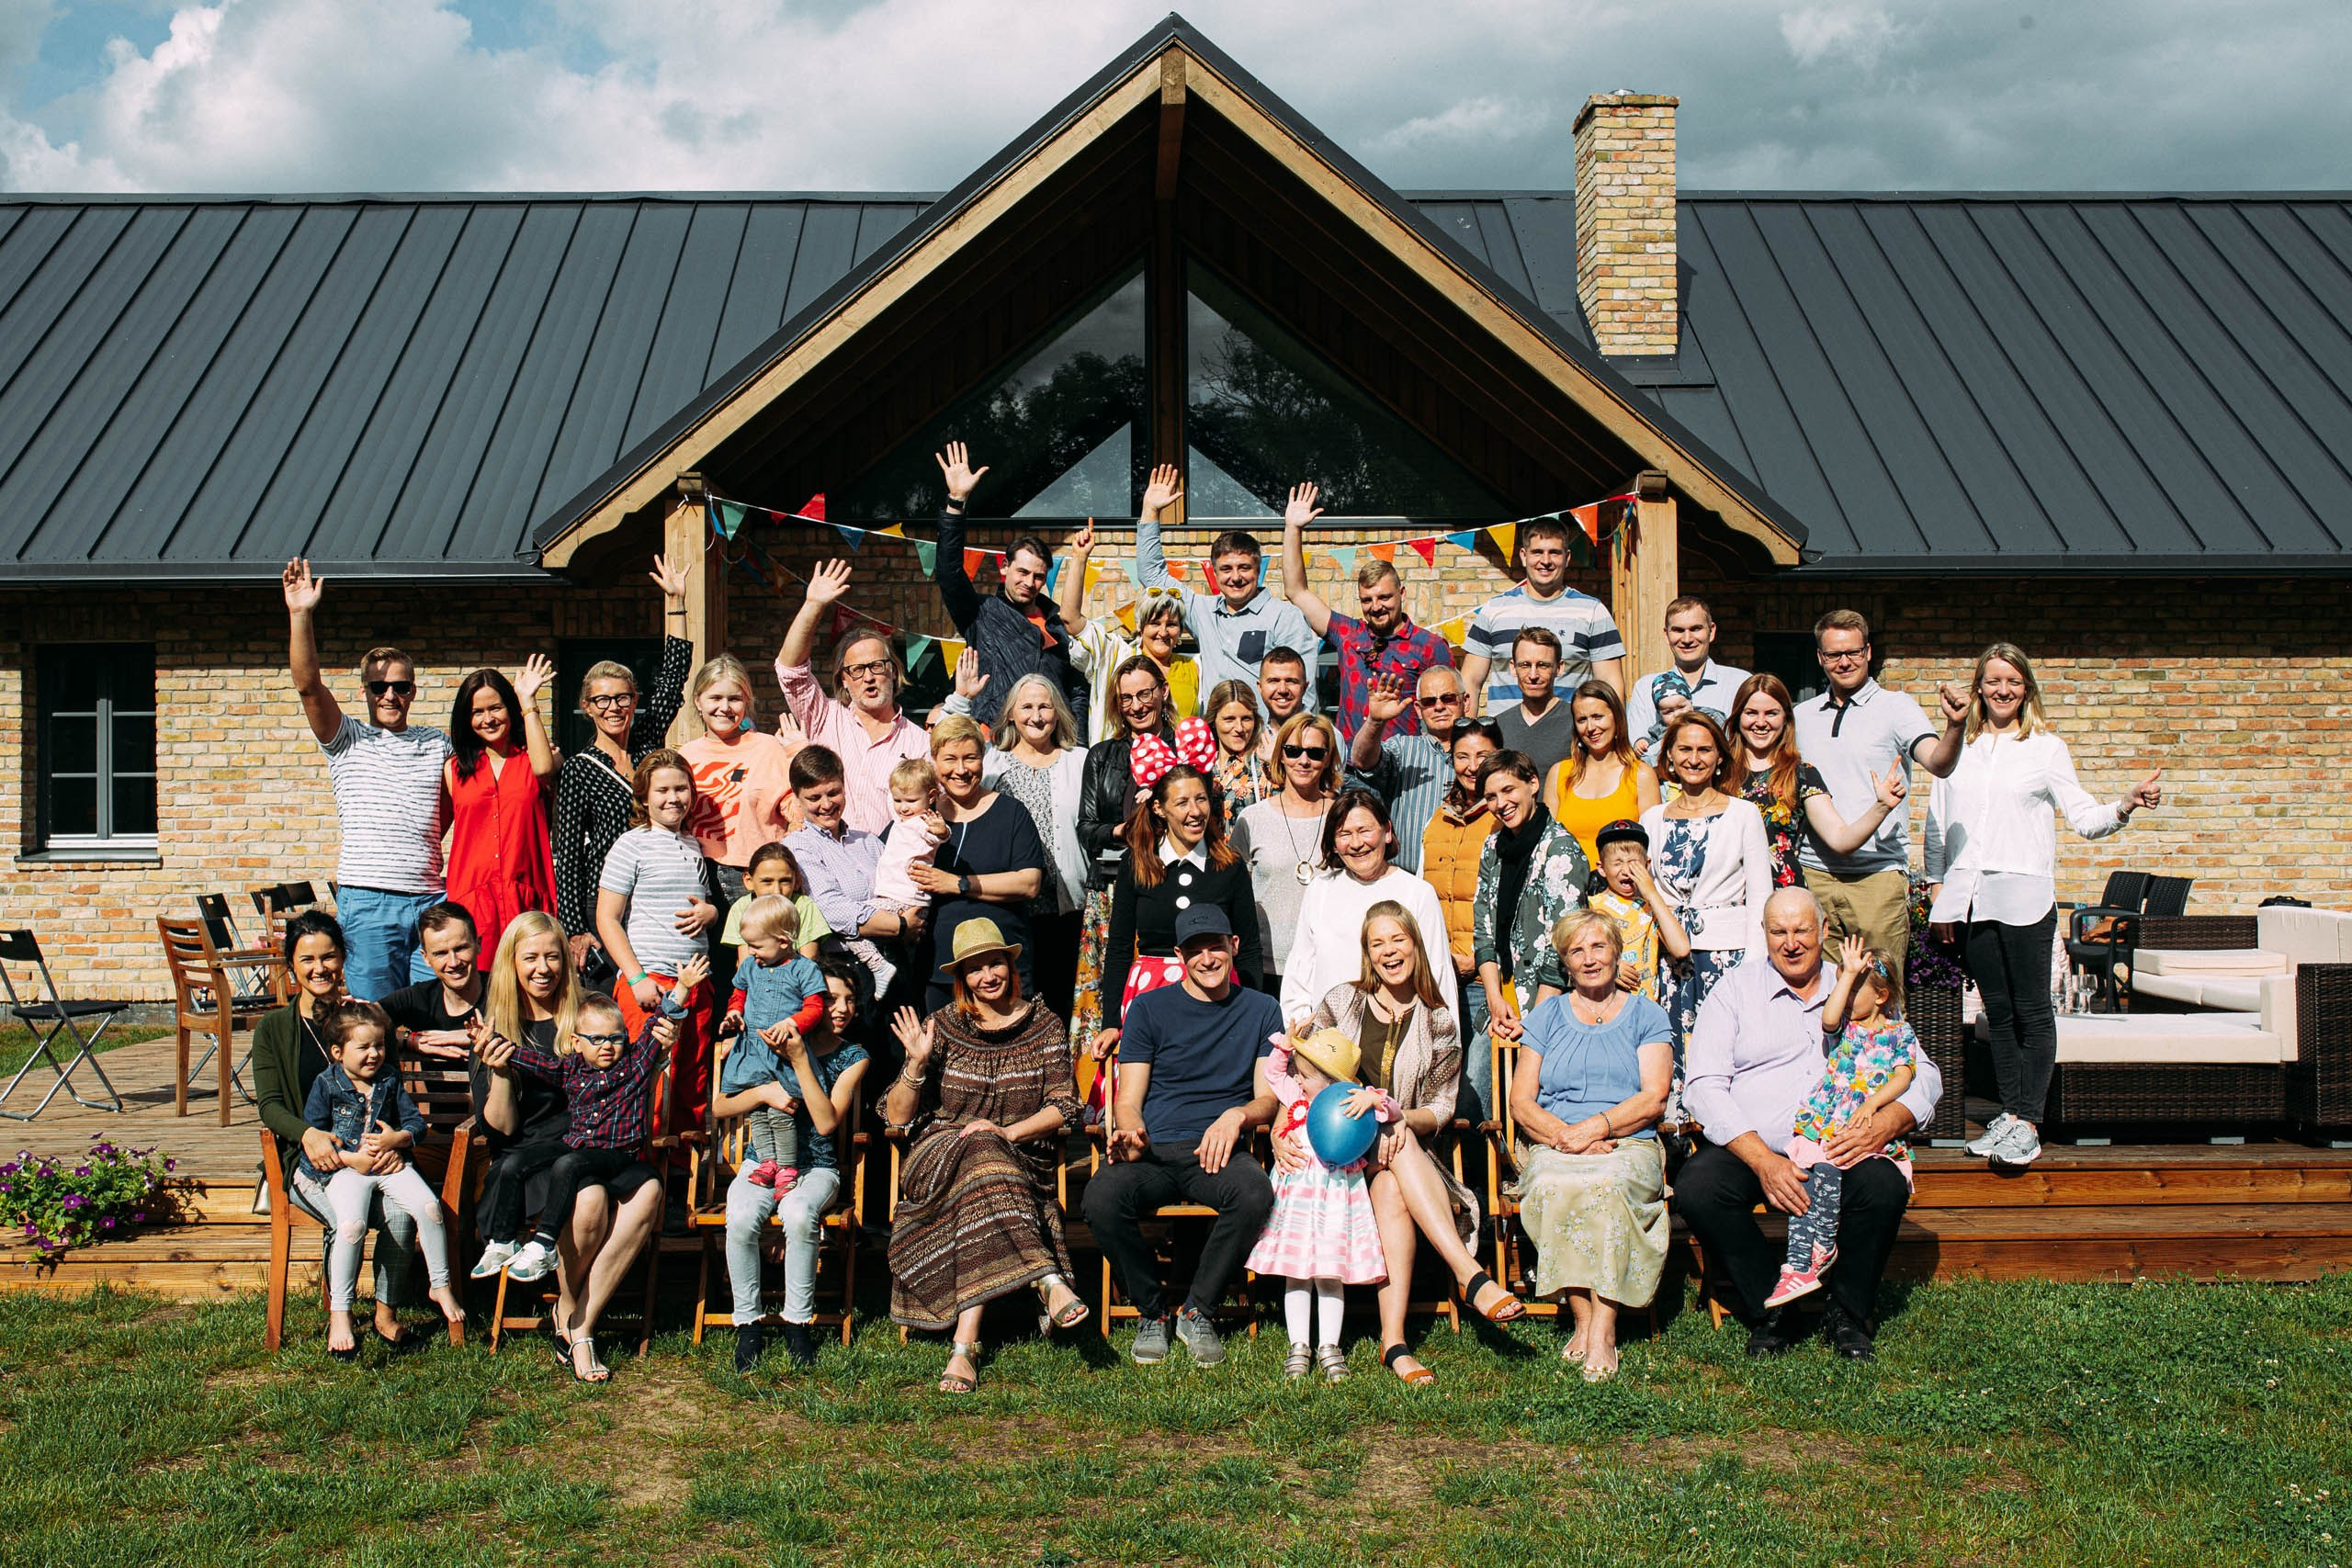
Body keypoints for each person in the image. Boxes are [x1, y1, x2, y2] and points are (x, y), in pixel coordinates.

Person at [1681, 887, 1945, 1360]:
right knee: (1699, 1186)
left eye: (1802, 929)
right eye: (1778, 931)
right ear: (1763, 935)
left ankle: (1846, 1311)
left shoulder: (1860, 985)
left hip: (1845, 1146)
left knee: (1883, 1186)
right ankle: (1773, 1306)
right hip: (1757, 1145)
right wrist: (1762, 1159)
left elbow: (1921, 1072)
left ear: (1824, 931)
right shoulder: (1735, 990)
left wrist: (1887, 1124)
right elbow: (1702, 1085)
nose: (1791, 942)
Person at [1925, 643, 2161, 1169]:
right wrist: (1938, 891)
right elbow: (1936, 825)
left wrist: (2124, 805)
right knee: (1998, 1012)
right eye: (1992, 681)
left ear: (2025, 688)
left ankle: (2028, 1121)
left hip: (2025, 896)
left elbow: (2083, 818)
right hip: (1970, 899)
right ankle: (2009, 1114)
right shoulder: (1958, 747)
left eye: (2012, 681)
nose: (2002, 690)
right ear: (1979, 687)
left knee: (2033, 1011)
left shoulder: (2046, 748)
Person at [1290, 904, 1526, 1383]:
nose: (1389, 951)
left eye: (1397, 940)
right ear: (1367, 954)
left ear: (1416, 945)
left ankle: (1393, 1342)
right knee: (1394, 1151)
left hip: (1405, 1155)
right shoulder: (1341, 1001)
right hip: (1338, 1155)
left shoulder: (1438, 1019)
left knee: (1396, 1167)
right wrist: (1285, 1124)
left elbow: (1440, 1108)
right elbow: (1305, 1071)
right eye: (1378, 943)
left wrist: (1394, 1116)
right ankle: (1469, 1274)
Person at [886, 919, 1086, 1393]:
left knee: (984, 1153)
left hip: (1016, 1161)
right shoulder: (944, 1027)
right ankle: (1046, 1277)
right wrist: (915, 1065)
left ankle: (965, 1346)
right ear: (962, 979)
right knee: (976, 1145)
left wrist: (1005, 1131)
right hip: (937, 1159)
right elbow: (896, 1117)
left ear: (1011, 964)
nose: (987, 976)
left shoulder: (1045, 1024)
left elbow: (1065, 1105)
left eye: (994, 962)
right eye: (974, 969)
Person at [1081, 905, 1281, 1369]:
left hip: (1217, 1151)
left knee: (1254, 1193)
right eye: (1194, 950)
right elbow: (1129, 1098)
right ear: (1178, 956)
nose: (1207, 958)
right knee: (1101, 1199)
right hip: (1153, 1150)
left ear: (1234, 946)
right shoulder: (1149, 1009)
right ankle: (1153, 1312)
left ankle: (1198, 1309)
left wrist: (1237, 1116)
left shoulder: (1261, 1009)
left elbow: (1267, 1099)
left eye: (1215, 946)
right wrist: (1130, 1131)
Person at [490, 972, 690, 1382]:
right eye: (596, 1039)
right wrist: (492, 1045)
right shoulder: (570, 1071)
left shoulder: (634, 1063)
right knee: (586, 1193)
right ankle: (571, 1311)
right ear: (577, 1042)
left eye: (616, 1038)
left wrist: (683, 986)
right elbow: (530, 1059)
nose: (608, 1046)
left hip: (621, 1160)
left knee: (650, 1186)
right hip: (581, 1163)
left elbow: (660, 1022)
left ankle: (578, 1320)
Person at [1508, 910, 1674, 1381]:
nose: (1589, 959)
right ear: (1564, 961)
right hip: (1557, 1142)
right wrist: (1569, 1139)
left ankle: (1603, 1329)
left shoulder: (1646, 1014)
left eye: (1598, 947)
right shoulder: (1547, 1014)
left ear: (1616, 952)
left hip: (1627, 1141)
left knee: (1610, 1185)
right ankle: (1583, 1320)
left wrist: (1598, 1129)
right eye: (1576, 951)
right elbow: (1522, 1101)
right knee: (1553, 1186)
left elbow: (1653, 1097)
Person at [281, 558, 451, 1000]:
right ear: (364, 692)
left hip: (431, 900)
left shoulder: (437, 743)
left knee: (434, 1012)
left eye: (400, 686)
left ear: (414, 689)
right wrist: (301, 615)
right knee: (373, 1020)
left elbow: (458, 805)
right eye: (379, 687)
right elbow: (308, 685)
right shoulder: (347, 737)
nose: (390, 695)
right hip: (370, 900)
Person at [252, 911, 424, 1344]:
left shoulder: (365, 1020)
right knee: (347, 1220)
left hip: (370, 1153)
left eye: (328, 956)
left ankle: (386, 1315)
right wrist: (307, 1134)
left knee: (401, 1217)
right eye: (307, 959)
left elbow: (392, 1090)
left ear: (343, 958)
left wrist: (394, 1144)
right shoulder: (273, 1028)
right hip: (311, 1161)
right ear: (291, 964)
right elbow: (270, 1106)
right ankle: (340, 1317)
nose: (319, 968)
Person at [1794, 609, 1967, 982]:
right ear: (1820, 658)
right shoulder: (1802, 716)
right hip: (1814, 877)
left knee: (1880, 992)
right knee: (1816, 992)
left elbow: (1938, 762)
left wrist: (1955, 726)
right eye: (1834, 654)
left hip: (1876, 879)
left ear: (1869, 652)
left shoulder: (1897, 707)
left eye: (1853, 652)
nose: (1845, 662)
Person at [718, 957, 869, 1373]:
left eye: (850, 1000)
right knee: (743, 1212)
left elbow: (824, 1122)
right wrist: (764, 1092)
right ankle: (748, 1323)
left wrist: (800, 1058)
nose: (841, 1008)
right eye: (831, 998)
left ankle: (797, 1323)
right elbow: (719, 1106)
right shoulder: (758, 1040)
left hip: (817, 1168)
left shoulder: (853, 1056)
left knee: (800, 1213)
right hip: (761, 1161)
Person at [300, 998, 467, 1357]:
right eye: (364, 1047)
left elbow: (415, 1125)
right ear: (337, 1052)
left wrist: (398, 1139)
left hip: (390, 1165)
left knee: (429, 1207)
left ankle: (440, 1284)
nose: (374, 1054)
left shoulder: (389, 1080)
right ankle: (341, 1314)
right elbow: (314, 1138)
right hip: (348, 1171)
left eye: (379, 1045)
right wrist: (350, 1159)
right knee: (351, 1227)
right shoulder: (326, 1085)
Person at [552, 555, 694, 973]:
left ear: (634, 701)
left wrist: (677, 603)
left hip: (658, 894)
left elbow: (673, 677)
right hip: (607, 902)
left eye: (622, 698)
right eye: (602, 700)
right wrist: (575, 926)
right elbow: (567, 853)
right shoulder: (580, 767)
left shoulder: (649, 746)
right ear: (586, 707)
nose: (613, 707)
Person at [1768, 935, 1918, 1309]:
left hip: (1861, 1123)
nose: (1844, 997)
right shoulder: (1845, 1029)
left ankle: (1820, 1247)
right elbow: (1829, 1016)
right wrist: (1849, 973)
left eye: (1853, 990)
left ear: (1881, 996)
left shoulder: (1900, 1033)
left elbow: (1904, 1076)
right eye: (1842, 988)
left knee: (1830, 1173)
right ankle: (1801, 1263)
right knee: (1812, 1176)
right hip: (1828, 1120)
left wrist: (1874, 1104)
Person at [1249, 1027, 1391, 1382]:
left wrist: (1373, 1100)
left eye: (1306, 1074)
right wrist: (1285, 1045)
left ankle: (1329, 1346)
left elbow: (1389, 1109)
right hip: (1298, 1200)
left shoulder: (1351, 1103)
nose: (1297, 1078)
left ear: (1330, 1084)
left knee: (1330, 1275)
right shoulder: (1297, 1100)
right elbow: (1274, 1074)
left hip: (1334, 1202)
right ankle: (1299, 1345)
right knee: (1297, 1274)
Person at [1097, 762, 1262, 1060]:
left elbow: (1248, 948)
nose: (1195, 811)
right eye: (1182, 802)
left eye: (1201, 799)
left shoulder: (1229, 866)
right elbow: (1120, 948)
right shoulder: (1136, 863)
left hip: (1218, 993)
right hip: (1151, 992)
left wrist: (1253, 1012)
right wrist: (1110, 1022)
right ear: (1160, 808)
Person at [594, 750, 723, 1132]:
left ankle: (681, 1173)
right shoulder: (631, 844)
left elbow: (706, 906)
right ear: (644, 796)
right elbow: (608, 918)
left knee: (691, 1085)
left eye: (681, 788)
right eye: (663, 790)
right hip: (653, 982)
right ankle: (644, 1174)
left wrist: (712, 914)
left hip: (696, 984)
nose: (673, 798)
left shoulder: (694, 845)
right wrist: (636, 978)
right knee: (649, 1083)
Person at [1642, 713, 1773, 1069]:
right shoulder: (1651, 819)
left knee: (1722, 1054)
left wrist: (1755, 967)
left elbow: (1761, 895)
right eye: (1684, 749)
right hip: (1666, 961)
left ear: (1719, 758)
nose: (1694, 759)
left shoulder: (1744, 814)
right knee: (1669, 1056)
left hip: (1726, 958)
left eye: (1704, 750)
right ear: (1668, 755)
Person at [1132, 461, 1321, 705]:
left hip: (1268, 739)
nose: (1235, 577)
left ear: (1257, 568)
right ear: (1214, 572)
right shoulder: (1202, 611)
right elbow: (1152, 575)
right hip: (1217, 740)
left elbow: (1304, 693)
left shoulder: (1285, 617)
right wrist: (1150, 511)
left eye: (1244, 568)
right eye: (1226, 569)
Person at [931, 441, 1088, 731]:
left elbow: (1076, 688)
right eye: (1023, 572)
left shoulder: (1059, 624)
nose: (1030, 582)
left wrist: (1075, 743)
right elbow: (948, 572)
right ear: (1004, 568)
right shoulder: (980, 612)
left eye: (1038, 576)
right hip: (997, 739)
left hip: (1051, 747)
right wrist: (956, 502)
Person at [1277, 481, 1453, 739]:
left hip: (1401, 769)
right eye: (1367, 600)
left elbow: (1450, 712)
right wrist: (1292, 528)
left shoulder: (1430, 646)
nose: (1376, 607)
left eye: (1384, 597)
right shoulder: (1349, 634)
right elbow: (1296, 591)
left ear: (1401, 594)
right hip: (1348, 769)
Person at [462, 913, 583, 1282]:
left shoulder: (586, 1014)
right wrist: (499, 1073)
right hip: (522, 1153)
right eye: (530, 958)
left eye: (553, 956)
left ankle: (572, 1303)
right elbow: (501, 1130)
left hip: (579, 1145)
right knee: (514, 1171)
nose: (543, 969)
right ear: (511, 963)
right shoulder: (496, 1026)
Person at [775, 559, 929, 835]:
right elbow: (790, 671)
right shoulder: (824, 716)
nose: (868, 678)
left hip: (888, 866)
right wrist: (813, 605)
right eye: (857, 670)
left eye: (877, 666)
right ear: (844, 680)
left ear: (893, 671)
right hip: (828, 858)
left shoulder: (920, 743)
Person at [905, 716, 1048, 1011]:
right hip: (939, 969)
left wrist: (959, 884)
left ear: (982, 758)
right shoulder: (920, 817)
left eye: (970, 758)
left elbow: (1030, 882)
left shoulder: (1011, 813)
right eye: (950, 759)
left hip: (1002, 972)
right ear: (934, 761)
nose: (960, 770)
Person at [1073, 655, 1178, 1044]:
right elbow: (1085, 829)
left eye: (1145, 694)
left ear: (1163, 692)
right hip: (1111, 888)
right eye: (1126, 698)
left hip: (1164, 883)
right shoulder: (1102, 755)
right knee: (1107, 991)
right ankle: (1102, 1092)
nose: (1137, 705)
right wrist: (1123, 829)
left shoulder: (1183, 749)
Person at [1279, 789, 1450, 1028]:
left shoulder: (1417, 893)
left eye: (1364, 831)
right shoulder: (1320, 890)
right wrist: (1301, 1032)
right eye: (1344, 834)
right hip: (1330, 1044)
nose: (1357, 844)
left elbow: (1438, 976)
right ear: (1335, 844)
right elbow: (1300, 971)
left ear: (1387, 832)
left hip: (1396, 1041)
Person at [1732, 672, 1907, 890]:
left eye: (1771, 713)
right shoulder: (1718, 772)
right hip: (1726, 897)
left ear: (1786, 718)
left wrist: (1881, 807)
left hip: (1782, 898)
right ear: (1738, 716)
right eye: (1751, 713)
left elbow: (1840, 840)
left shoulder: (1801, 775)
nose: (1760, 722)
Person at [978, 672, 1088, 1017]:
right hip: (1011, 909)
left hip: (1068, 907)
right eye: (1026, 707)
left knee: (1063, 1001)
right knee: (1017, 1002)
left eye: (1045, 706)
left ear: (1058, 713)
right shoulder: (991, 764)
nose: (1036, 716)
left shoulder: (1080, 761)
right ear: (1011, 713)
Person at [442, 660, 560, 956]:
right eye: (477, 712)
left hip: (527, 894)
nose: (488, 719)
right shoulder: (453, 770)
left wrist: (527, 700)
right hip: (473, 899)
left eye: (496, 708)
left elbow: (545, 767)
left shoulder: (537, 759)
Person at [1474, 752, 1589, 1049]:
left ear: (1533, 784)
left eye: (1508, 790)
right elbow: (1483, 931)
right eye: (1491, 797)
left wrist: (1535, 1026)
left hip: (1549, 1007)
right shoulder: (1492, 847)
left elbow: (1565, 943)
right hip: (1500, 1004)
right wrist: (1495, 1001)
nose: (1501, 804)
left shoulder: (1560, 848)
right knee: (1475, 1090)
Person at [718, 896, 831, 1190]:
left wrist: (792, 1023)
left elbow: (815, 1008)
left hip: (783, 1052)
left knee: (780, 1112)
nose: (751, 952)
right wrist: (733, 1012)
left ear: (783, 941)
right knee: (757, 1110)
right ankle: (767, 1161)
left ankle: (787, 1166)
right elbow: (739, 994)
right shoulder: (750, 966)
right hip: (753, 1048)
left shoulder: (804, 969)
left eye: (756, 946)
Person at [786, 746, 915, 1007]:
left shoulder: (869, 842)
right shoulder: (798, 847)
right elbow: (831, 910)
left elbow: (902, 889)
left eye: (834, 792)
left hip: (897, 959)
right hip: (846, 972)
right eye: (814, 797)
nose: (826, 805)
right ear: (797, 798)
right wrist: (899, 925)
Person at [1420, 719, 1502, 1122]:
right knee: (1440, 1083)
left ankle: (1483, 1176)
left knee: (1476, 1088)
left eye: (1482, 756)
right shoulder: (1438, 818)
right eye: (1462, 757)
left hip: (1484, 975)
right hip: (1441, 974)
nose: (1472, 766)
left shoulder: (1505, 817)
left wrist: (1483, 956)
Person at [1459, 518, 1625, 713]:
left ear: (1567, 557)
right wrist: (1467, 736)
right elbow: (1470, 681)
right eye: (1537, 552)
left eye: (1554, 553)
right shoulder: (1494, 610)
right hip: (1503, 737)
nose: (1545, 561)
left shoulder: (1593, 612)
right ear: (1523, 555)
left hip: (1569, 736)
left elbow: (1611, 685)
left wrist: (1617, 739)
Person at [682, 655, 800, 910]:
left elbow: (797, 810)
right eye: (715, 698)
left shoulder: (768, 747)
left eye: (734, 699)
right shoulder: (686, 755)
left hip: (753, 876)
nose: (725, 707)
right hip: (697, 875)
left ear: (746, 702)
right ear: (697, 701)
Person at [1234, 712, 1341, 992]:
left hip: (1326, 966)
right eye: (1293, 751)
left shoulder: (1344, 817)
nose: (1303, 761)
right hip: (1263, 967)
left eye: (1315, 753)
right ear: (1280, 755)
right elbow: (1235, 894)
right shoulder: (1252, 818)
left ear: (1328, 758)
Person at [1062, 527, 1199, 741]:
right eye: (1154, 623)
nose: (1163, 632)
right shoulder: (1115, 655)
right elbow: (1070, 619)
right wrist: (1080, 558)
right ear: (1140, 626)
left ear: (1181, 630)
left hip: (1178, 772)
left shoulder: (1194, 667)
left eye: (1171, 624)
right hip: (1120, 767)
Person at [1346, 665, 1473, 874]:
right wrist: (1375, 721)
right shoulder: (1404, 749)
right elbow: (1362, 760)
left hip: (1463, 882)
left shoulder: (1483, 751)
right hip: (1409, 883)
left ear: (1465, 701)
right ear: (1418, 709)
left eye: (1448, 698)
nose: (1439, 707)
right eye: (1429, 702)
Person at [1544, 680, 1660, 867]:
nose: (1590, 728)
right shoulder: (1560, 774)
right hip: (1567, 888)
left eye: (1598, 717)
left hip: (1621, 891)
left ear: (1616, 717)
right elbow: (1547, 844)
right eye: (1582, 720)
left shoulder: (1640, 775)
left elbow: (1651, 847)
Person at [1624, 597, 1751, 759]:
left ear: (1711, 631)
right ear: (1666, 634)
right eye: (1678, 630)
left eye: (1695, 629)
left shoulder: (1740, 684)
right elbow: (1641, 757)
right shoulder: (1646, 688)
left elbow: (1745, 750)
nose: (1687, 639)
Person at [1583, 819, 1691, 1003]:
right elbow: (1579, 957)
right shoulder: (1591, 906)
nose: (1626, 871)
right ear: (1601, 868)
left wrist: (1652, 894)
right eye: (1617, 863)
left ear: (1647, 865)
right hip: (1605, 1007)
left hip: (1646, 1011)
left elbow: (1681, 949)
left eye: (1634, 863)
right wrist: (1611, 968)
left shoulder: (1650, 908)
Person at [381, 901, 488, 1066]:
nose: (453, 962)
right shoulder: (420, 997)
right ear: (426, 958)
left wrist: (481, 1036)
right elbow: (355, 1025)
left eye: (460, 948)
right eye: (441, 953)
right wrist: (409, 1040)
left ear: (478, 945)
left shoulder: (503, 989)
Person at [718, 840, 831, 960]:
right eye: (767, 881)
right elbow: (746, 965)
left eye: (785, 881)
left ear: (796, 881)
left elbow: (809, 961)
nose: (777, 891)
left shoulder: (803, 906)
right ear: (749, 881)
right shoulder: (742, 908)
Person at [1492, 628, 1578, 781]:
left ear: (1559, 668)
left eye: (1542, 665)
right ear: (1513, 667)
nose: (1533, 675)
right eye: (1525, 665)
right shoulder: (1498, 726)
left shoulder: (1577, 721)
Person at [868, 757, 946, 919]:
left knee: (861, 917)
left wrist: (941, 831)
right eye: (897, 800)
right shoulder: (902, 822)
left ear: (931, 796)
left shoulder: (922, 822)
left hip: (906, 898)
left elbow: (936, 836)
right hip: (894, 895)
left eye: (911, 801)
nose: (903, 807)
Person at [1205, 678, 1274, 822]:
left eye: (1246, 719)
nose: (1239, 728)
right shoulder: (1200, 763)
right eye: (1229, 719)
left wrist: (1279, 767)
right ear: (1214, 720)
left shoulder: (1264, 763)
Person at [1255, 647, 1312, 750]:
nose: (1282, 690)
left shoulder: (1325, 735)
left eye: (1291, 681)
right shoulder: (1252, 738)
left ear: (1304, 687)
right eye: (1274, 681)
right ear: (1260, 687)